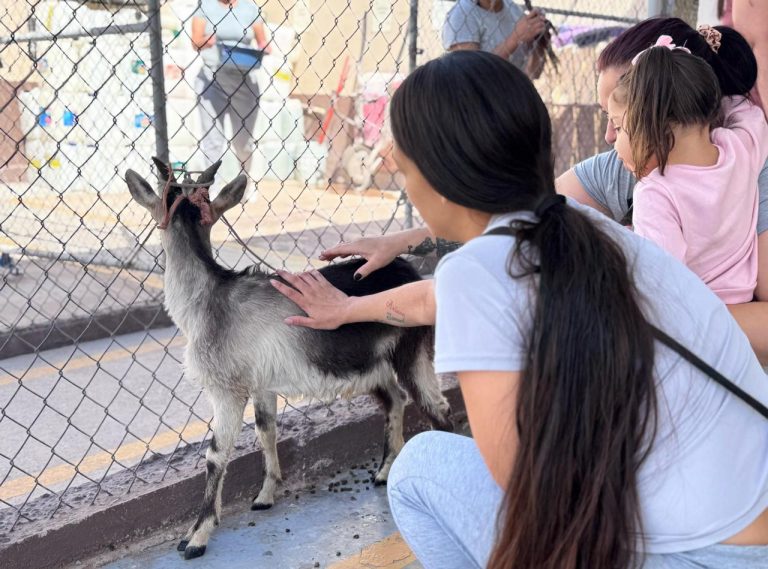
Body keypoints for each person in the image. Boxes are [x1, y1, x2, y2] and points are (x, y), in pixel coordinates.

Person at [273, 51, 768, 568]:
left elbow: (539, 509)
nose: (392, 162)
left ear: (440, 177)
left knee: (418, 470)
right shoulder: (576, 224)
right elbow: (431, 298)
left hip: (706, 555)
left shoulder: (482, 269)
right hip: (750, 518)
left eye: (401, 151)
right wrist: (347, 309)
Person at [314, 17, 768, 363]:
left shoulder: (665, 190)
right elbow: (521, 213)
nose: (609, 139)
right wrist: (402, 241)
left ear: (660, 116)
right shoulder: (734, 147)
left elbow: (657, 294)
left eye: (618, 122)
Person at [607, 35, 768, 303]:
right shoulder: (739, 150)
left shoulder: (656, 194)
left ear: (649, 121)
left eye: (620, 126)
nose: (613, 141)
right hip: (742, 306)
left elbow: (663, 289)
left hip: (697, 320)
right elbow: (748, 112)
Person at [191, 0, 270, 173]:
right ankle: (211, 193)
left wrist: (264, 48)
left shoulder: (250, 8)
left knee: (243, 143)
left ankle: (244, 184)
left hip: (244, 81)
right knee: (212, 141)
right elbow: (195, 42)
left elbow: (262, 41)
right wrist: (207, 41)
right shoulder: (205, 6)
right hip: (212, 79)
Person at [442, 0, 546, 72]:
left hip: (513, 97)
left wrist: (540, 42)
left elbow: (534, 73)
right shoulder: (462, 14)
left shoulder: (513, 9)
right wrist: (515, 38)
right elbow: (469, 73)